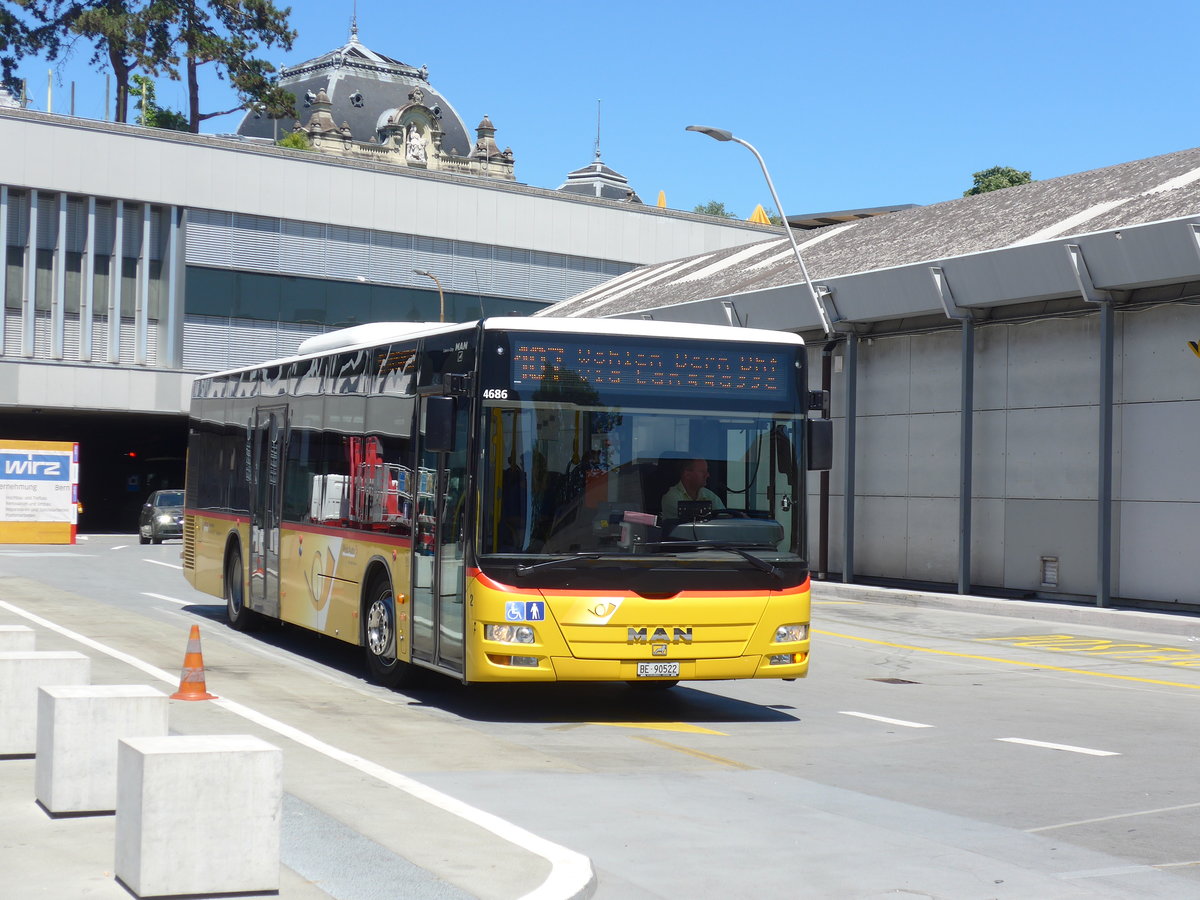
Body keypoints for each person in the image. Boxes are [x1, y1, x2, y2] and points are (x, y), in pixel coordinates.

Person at [661, 458, 725, 519]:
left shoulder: (709, 495)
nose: (708, 475)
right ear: (687, 475)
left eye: (707, 471)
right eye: (702, 471)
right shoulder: (671, 498)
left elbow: (724, 519)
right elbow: (688, 526)